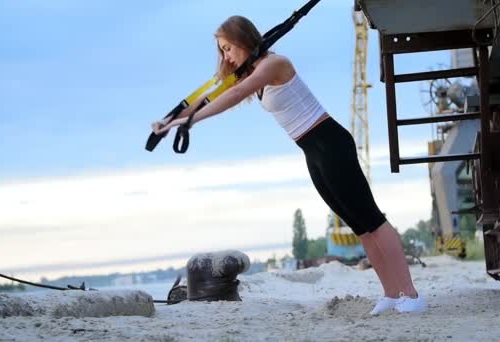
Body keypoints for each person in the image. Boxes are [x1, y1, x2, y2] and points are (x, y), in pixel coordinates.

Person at [152, 15, 426, 315]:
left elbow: (234, 95)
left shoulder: (273, 64)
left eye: (228, 48)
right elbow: (207, 95)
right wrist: (170, 121)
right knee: (360, 227)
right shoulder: (247, 71)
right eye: (222, 51)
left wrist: (186, 123)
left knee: (373, 220)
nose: (226, 57)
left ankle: (410, 294)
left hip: (330, 143)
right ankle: (390, 293)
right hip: (311, 149)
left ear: (244, 40)